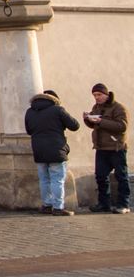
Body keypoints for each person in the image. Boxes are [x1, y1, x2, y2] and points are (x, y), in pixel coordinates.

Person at [24, 89, 79, 216]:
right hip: (56, 149)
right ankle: (58, 207)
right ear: (54, 100)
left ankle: (46, 205)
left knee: (44, 179)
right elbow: (75, 125)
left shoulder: (30, 111)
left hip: (38, 149)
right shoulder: (57, 110)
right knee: (57, 179)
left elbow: (29, 130)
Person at [84, 83, 129, 214]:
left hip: (116, 147)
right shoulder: (96, 107)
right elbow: (94, 126)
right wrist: (87, 119)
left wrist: (101, 121)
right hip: (101, 147)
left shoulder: (118, 108)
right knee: (101, 176)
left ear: (106, 94)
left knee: (121, 177)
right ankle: (104, 204)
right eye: (94, 95)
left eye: (99, 95)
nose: (96, 97)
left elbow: (122, 126)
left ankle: (123, 205)